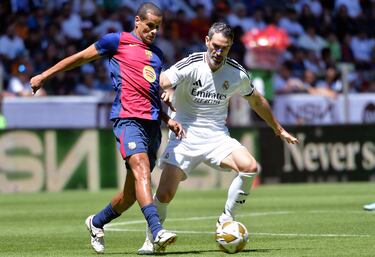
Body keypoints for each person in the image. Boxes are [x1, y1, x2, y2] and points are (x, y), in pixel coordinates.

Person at [29, 2, 185, 254]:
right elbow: (79, 58)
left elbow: (151, 94)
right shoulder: (117, 41)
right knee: (143, 170)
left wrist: (169, 120)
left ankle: (95, 222)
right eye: (149, 26)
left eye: (157, 27)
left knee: (130, 196)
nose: (154, 31)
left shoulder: (157, 55)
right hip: (127, 119)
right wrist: (44, 76)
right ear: (137, 21)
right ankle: (157, 232)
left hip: (153, 125)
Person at [137, 22, 299, 254]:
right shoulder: (191, 63)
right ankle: (152, 239)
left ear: (231, 47)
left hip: (216, 137)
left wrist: (278, 128)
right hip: (185, 135)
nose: (218, 52)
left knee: (249, 166)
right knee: (164, 194)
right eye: (215, 46)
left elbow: (256, 100)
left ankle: (226, 219)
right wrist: (166, 90)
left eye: (224, 47)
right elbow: (161, 80)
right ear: (206, 41)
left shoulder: (237, 73)